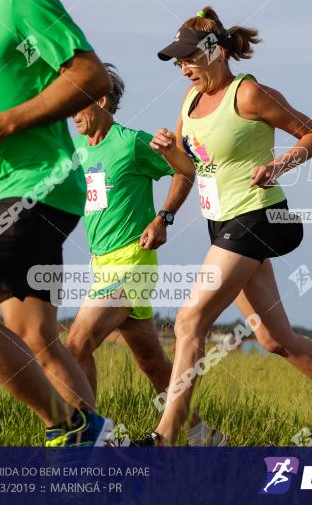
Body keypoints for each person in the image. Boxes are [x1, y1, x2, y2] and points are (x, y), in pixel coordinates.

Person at [135, 7, 312, 446]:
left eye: (189, 59)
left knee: (189, 320)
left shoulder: (247, 94)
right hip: (222, 224)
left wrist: (278, 164)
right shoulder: (190, 104)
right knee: (274, 338)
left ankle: (170, 434)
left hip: (258, 217)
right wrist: (166, 163)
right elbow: (189, 168)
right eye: (178, 62)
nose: (184, 69)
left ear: (214, 51)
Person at [0, 0, 114, 446]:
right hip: (5, 191)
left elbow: (90, 76)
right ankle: (96, 457)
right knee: (37, 337)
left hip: (41, 189)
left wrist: (5, 123)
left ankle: (70, 427)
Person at [63, 63, 227, 446]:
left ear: (101, 99)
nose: (71, 114)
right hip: (100, 264)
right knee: (152, 362)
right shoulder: (79, 151)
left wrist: (163, 217)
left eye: (77, 103)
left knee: (76, 345)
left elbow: (184, 171)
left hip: (132, 261)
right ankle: (204, 436)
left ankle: (90, 439)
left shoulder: (131, 142)